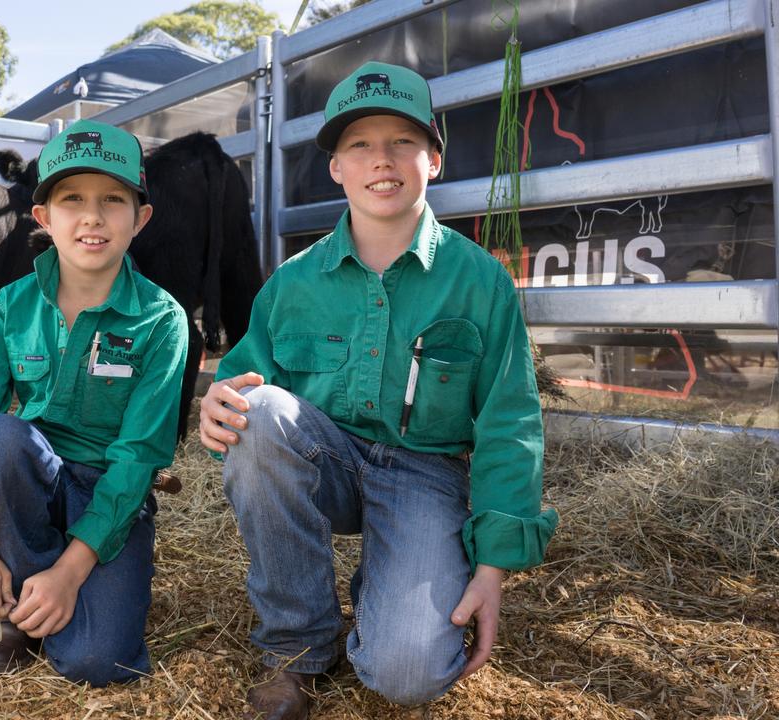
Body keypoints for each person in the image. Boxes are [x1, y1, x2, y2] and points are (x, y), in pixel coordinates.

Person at [198, 61, 559, 719]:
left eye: (402, 141)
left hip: (427, 477)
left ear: (435, 159)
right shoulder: (292, 282)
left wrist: (491, 568)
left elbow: (512, 423)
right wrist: (217, 405)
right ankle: (296, 649)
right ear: (335, 167)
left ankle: (388, 589)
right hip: (326, 464)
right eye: (359, 144)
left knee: (407, 673)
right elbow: (239, 380)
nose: (381, 159)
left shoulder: (481, 283)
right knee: (264, 409)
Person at [0, 119, 188, 687]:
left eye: (112, 200)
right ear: (45, 218)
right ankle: (22, 605)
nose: (92, 217)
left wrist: (72, 573)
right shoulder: (11, 305)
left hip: (108, 494)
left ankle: (48, 589)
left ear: (139, 218)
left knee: (98, 663)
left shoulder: (162, 319)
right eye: (72, 199)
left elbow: (139, 456)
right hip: (34, 481)